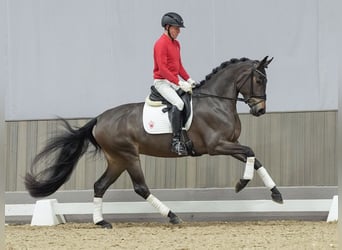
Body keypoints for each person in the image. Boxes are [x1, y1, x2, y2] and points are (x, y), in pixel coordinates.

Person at [153, 12, 197, 156]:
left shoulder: (176, 44)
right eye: (176, 28)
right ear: (167, 27)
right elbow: (163, 69)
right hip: (162, 82)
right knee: (178, 104)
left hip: (173, 81)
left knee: (190, 98)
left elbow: (179, 66)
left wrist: (189, 79)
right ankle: (176, 141)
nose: (178, 32)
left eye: (179, 29)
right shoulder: (160, 44)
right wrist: (179, 82)